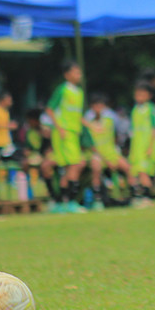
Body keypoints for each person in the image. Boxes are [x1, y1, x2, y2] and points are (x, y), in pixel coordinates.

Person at [44, 60, 87, 213]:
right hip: (64, 133)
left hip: (74, 133)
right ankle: (70, 202)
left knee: (70, 167)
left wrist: (90, 126)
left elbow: (77, 115)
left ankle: (63, 202)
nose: (79, 75)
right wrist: (59, 128)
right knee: (75, 164)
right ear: (67, 75)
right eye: (76, 72)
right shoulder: (62, 90)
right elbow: (50, 109)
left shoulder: (79, 93)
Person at [85, 93, 131, 207]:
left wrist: (114, 154)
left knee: (128, 167)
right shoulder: (88, 121)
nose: (98, 108)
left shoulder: (110, 119)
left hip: (110, 153)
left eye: (101, 105)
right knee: (96, 168)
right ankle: (97, 200)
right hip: (96, 154)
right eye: (96, 106)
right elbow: (90, 144)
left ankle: (134, 196)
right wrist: (105, 159)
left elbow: (116, 136)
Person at [128, 80, 155, 208]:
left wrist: (151, 146)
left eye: (142, 94)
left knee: (143, 172)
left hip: (146, 147)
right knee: (134, 172)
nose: (139, 97)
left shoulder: (150, 109)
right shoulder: (135, 110)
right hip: (136, 148)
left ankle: (147, 197)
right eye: (137, 94)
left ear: (148, 96)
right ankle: (136, 196)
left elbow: (154, 129)